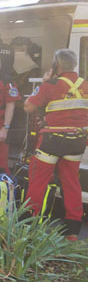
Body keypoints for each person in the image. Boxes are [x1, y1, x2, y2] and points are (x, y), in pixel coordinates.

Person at [23, 49, 88, 240]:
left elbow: (28, 106)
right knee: (71, 183)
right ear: (75, 65)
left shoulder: (50, 85)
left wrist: (42, 84)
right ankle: (72, 231)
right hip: (76, 141)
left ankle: (28, 226)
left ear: (56, 65)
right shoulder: (86, 84)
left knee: (38, 181)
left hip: (52, 141)